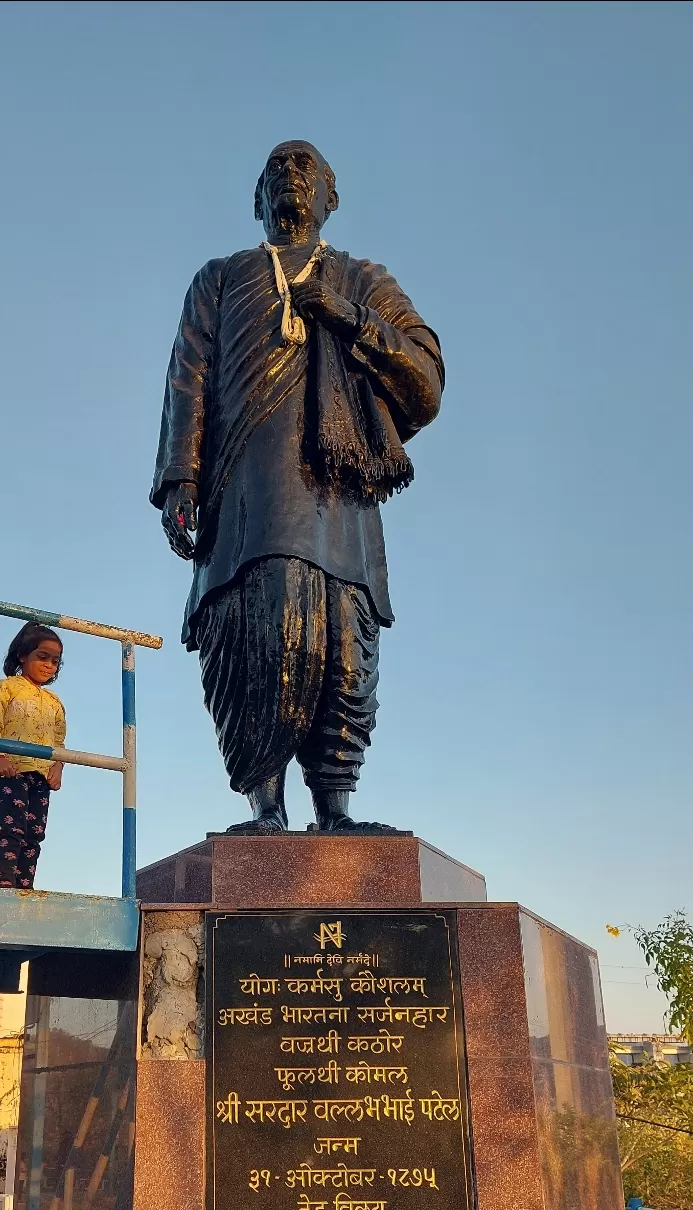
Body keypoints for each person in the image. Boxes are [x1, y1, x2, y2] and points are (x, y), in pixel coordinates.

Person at [152, 140, 443, 832]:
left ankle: (335, 807)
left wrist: (346, 315)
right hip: (245, 498)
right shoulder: (220, 280)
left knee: (343, 643)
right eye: (276, 167)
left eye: (306, 166)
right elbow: (188, 379)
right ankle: (266, 807)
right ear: (256, 200)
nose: (291, 175)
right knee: (258, 633)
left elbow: (425, 377)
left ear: (332, 200)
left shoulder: (362, 280)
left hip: (338, 500)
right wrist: (179, 478)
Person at [0, 622, 66, 889]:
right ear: (22, 655)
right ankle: (5, 881)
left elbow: (59, 739)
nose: (49, 665)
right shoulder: (6, 688)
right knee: (13, 828)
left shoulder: (54, 701)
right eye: (42, 657)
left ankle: (25, 885)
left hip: (41, 774)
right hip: (12, 769)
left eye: (55, 661)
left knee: (35, 833)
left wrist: (59, 766)